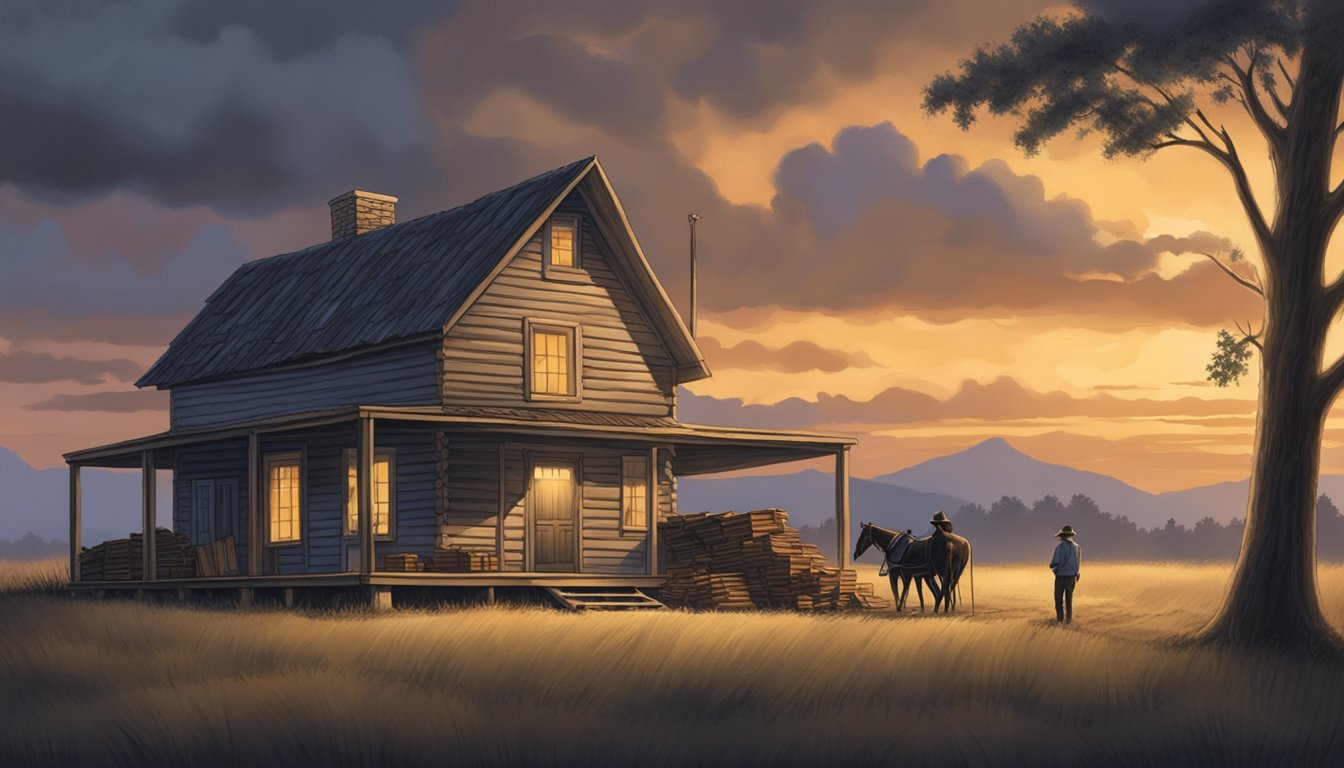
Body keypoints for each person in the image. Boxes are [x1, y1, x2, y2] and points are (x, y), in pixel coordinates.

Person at [1049, 525, 1081, 623]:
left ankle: (1059, 620)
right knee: (1069, 600)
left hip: (1060, 576)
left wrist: (1052, 567)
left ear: (1062, 536)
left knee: (1058, 599)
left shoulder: (1060, 547)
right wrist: (1076, 573)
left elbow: (1054, 562)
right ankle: (1068, 620)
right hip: (1072, 577)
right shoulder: (1077, 547)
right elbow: (1078, 563)